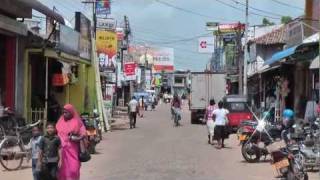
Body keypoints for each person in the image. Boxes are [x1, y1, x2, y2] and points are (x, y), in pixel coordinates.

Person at [56, 104, 86, 180]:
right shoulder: (60, 121)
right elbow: (56, 133)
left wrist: (77, 137)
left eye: (66, 112)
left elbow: (83, 133)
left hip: (73, 150)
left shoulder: (77, 122)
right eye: (63, 112)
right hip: (61, 151)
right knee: (62, 170)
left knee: (74, 169)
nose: (64, 114)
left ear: (71, 112)